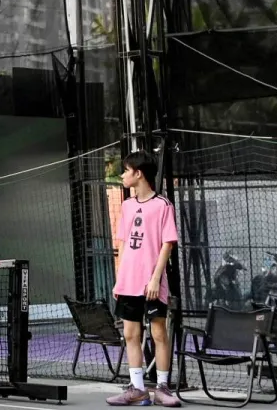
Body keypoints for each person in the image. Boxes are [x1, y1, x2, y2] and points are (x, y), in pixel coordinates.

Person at [108, 151, 180, 408]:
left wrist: (155, 279)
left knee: (159, 332)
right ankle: (137, 389)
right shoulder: (126, 205)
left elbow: (166, 245)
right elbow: (124, 244)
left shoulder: (163, 205)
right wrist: (120, 279)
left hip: (151, 283)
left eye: (126, 170)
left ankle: (162, 387)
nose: (123, 175)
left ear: (138, 173)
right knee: (130, 333)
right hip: (129, 282)